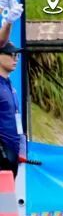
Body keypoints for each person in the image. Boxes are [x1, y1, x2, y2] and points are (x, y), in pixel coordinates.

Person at [0, 43, 24, 176]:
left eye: (17, 55)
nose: (15, 59)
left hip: (13, 149)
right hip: (3, 151)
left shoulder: (9, 84)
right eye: (11, 54)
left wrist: (21, 147)